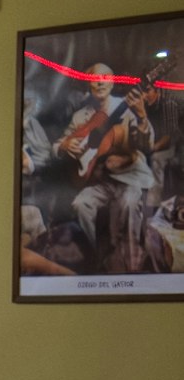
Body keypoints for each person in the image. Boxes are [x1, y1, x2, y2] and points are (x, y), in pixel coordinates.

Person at [56, 64, 156, 274]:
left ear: (112, 81)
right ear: (88, 82)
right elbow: (57, 144)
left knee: (128, 204)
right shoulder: (81, 116)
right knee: (80, 204)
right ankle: (92, 259)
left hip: (129, 177)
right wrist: (64, 145)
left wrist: (142, 116)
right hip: (99, 180)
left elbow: (147, 146)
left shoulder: (127, 106)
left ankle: (130, 266)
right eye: (94, 78)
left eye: (104, 78)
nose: (100, 82)